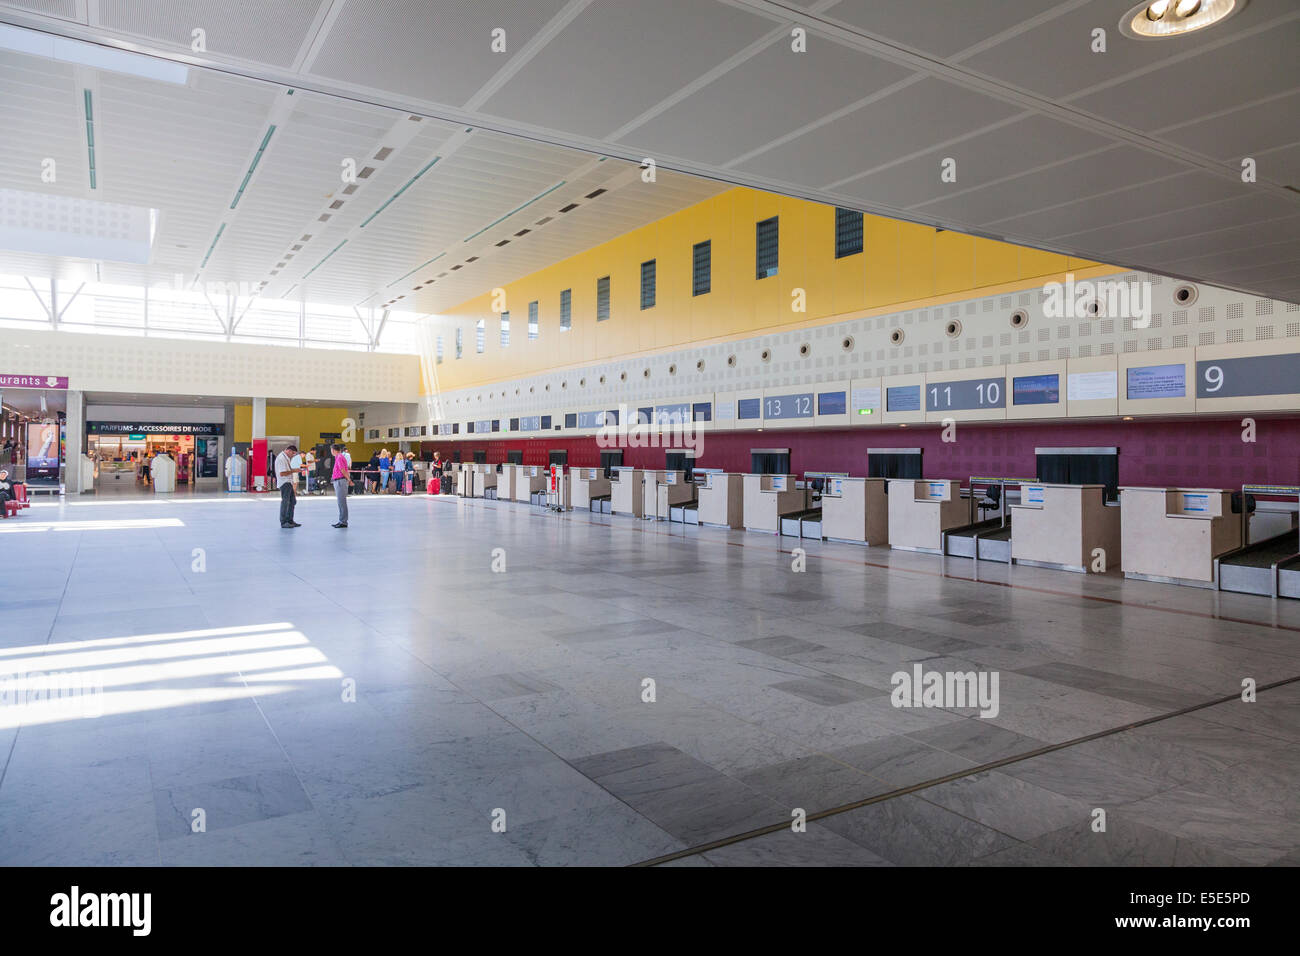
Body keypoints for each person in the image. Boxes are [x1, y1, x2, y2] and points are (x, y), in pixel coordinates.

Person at [274, 443, 301, 529]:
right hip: (284, 483)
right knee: (285, 502)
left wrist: (295, 470)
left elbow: (287, 470)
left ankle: (290, 520)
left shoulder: (287, 458)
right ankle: (284, 522)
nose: (293, 455)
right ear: (289, 451)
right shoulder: (281, 458)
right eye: (292, 453)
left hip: (288, 482)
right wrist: (294, 471)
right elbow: (282, 473)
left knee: (292, 501)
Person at [331, 442, 351, 528]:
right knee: (340, 502)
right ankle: (341, 520)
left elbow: (342, 469)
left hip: (340, 481)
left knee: (341, 502)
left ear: (333, 450)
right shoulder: (339, 457)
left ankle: (343, 521)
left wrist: (349, 479)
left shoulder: (339, 457)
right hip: (338, 481)